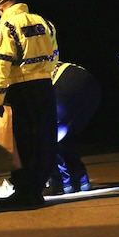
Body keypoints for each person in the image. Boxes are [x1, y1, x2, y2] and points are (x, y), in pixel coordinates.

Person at [0, 0, 59, 210]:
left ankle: (24, 192)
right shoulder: (44, 22)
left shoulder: (5, 26)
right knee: (44, 139)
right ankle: (37, 190)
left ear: (0, 8)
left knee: (24, 142)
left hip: (21, 88)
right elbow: (55, 54)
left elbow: (0, 64)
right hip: (45, 87)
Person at [46, 62, 101, 195]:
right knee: (67, 135)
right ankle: (81, 180)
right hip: (89, 83)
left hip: (63, 85)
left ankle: (61, 182)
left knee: (46, 136)